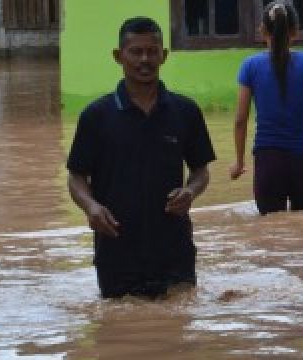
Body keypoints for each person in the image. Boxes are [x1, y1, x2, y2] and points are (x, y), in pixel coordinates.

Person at [66, 17, 216, 299]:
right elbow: (76, 178)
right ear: (118, 56)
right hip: (117, 252)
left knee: (179, 330)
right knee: (120, 332)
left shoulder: (185, 112)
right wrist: (91, 208)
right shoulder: (95, 117)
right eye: (136, 52)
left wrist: (190, 191)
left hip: (175, 249)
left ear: (164, 56)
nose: (145, 59)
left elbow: (200, 171)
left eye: (152, 51)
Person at [230, 0, 303, 214]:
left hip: (268, 158)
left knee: (271, 231)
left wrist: (238, 162)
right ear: (295, 31)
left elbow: (240, 119)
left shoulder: (249, 66)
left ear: (262, 30)